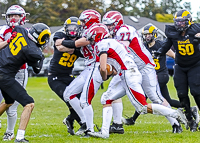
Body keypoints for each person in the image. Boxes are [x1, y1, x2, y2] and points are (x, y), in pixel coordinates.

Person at [85, 23, 187, 139]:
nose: (90, 42)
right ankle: (105, 132)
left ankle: (175, 114)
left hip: (130, 73)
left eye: (91, 38)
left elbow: (104, 68)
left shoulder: (103, 44)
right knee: (106, 98)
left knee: (143, 107)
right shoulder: (115, 41)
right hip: (128, 71)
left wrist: (104, 75)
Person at [0, 23, 51, 142]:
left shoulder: (19, 29)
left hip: (1, 68)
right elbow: (37, 70)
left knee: (9, 101)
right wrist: (41, 57)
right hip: (5, 75)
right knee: (29, 103)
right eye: (44, 38)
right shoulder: (32, 50)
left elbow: (16, 31)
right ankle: (20, 137)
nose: (45, 41)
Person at [56, 9, 102, 135]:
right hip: (89, 67)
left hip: (95, 66)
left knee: (85, 100)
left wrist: (62, 42)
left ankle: (89, 129)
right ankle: (85, 123)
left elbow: (77, 43)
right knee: (68, 94)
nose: (81, 24)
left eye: (83, 21)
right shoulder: (89, 30)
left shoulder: (95, 30)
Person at [154, 9, 200, 132]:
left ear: (189, 21)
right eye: (177, 22)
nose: (179, 25)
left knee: (196, 91)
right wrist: (159, 52)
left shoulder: (196, 29)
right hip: (180, 65)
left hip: (195, 64)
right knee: (181, 94)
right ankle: (190, 119)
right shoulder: (173, 32)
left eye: (182, 22)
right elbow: (167, 44)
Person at [47, 16, 83, 135]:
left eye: (75, 28)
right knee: (71, 101)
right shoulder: (59, 34)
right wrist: (75, 45)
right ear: (65, 28)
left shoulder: (81, 39)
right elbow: (60, 47)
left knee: (82, 100)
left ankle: (69, 120)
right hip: (55, 77)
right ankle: (84, 125)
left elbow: (78, 50)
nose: (73, 30)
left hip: (68, 76)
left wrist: (72, 46)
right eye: (70, 28)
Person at [0, 5, 29, 141]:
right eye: (11, 15)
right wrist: (8, 41)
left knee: (11, 105)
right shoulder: (3, 30)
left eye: (16, 15)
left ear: (22, 17)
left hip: (19, 71)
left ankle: (10, 132)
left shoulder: (27, 31)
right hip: (3, 70)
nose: (13, 18)